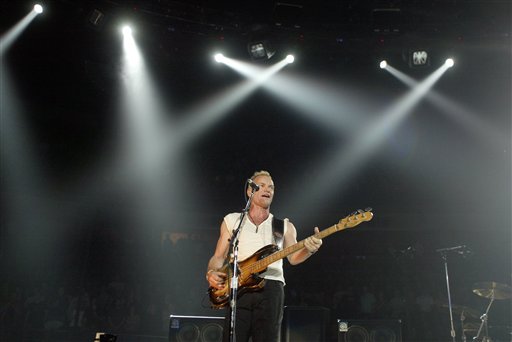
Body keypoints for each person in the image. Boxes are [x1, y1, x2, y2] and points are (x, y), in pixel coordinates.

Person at [206, 170, 323, 342]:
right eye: (261, 186)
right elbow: (218, 256)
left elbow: (294, 257)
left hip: (271, 287)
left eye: (271, 187)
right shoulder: (233, 221)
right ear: (250, 191)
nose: (267, 190)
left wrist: (310, 249)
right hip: (239, 288)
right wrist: (211, 272)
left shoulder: (284, 226)